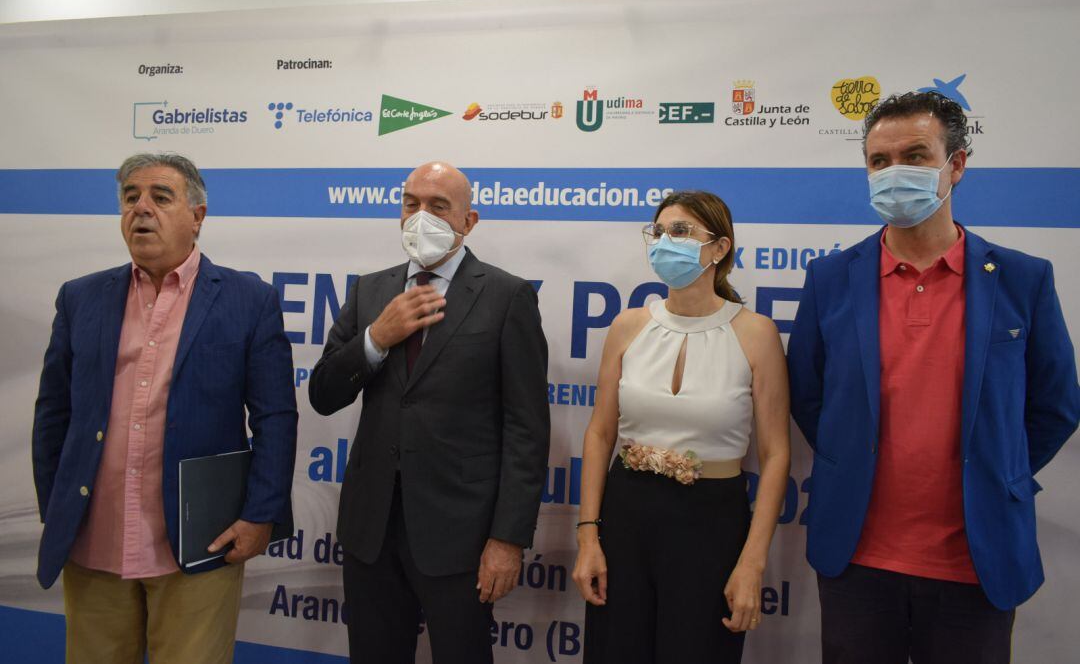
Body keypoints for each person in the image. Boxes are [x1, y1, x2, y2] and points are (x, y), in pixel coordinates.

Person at [787, 91, 1080, 664]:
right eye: (878, 161)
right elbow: (808, 394)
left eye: (916, 155)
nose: (894, 171)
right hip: (857, 560)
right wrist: (857, 458)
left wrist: (996, 469)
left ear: (958, 164)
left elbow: (1056, 405)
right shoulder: (830, 279)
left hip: (976, 560)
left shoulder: (1023, 279)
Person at [32, 152, 298, 664]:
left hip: (198, 545)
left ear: (197, 217)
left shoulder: (248, 299)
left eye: (160, 196)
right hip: (93, 543)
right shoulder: (80, 298)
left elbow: (275, 419)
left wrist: (260, 514)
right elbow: (52, 416)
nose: (141, 208)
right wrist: (60, 506)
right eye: (130, 198)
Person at [308, 161, 550, 664]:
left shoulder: (508, 296)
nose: (421, 216)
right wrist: (376, 337)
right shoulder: (371, 291)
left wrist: (507, 539)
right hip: (371, 530)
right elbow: (324, 394)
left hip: (461, 535)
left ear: (469, 220)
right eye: (411, 203)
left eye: (438, 206)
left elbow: (526, 429)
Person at [572, 190, 791, 664]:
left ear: (720, 248)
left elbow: (775, 456)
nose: (665, 241)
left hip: (711, 523)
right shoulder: (628, 325)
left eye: (681, 231)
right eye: (660, 231)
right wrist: (588, 537)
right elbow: (599, 434)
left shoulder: (756, 333)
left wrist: (752, 564)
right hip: (626, 515)